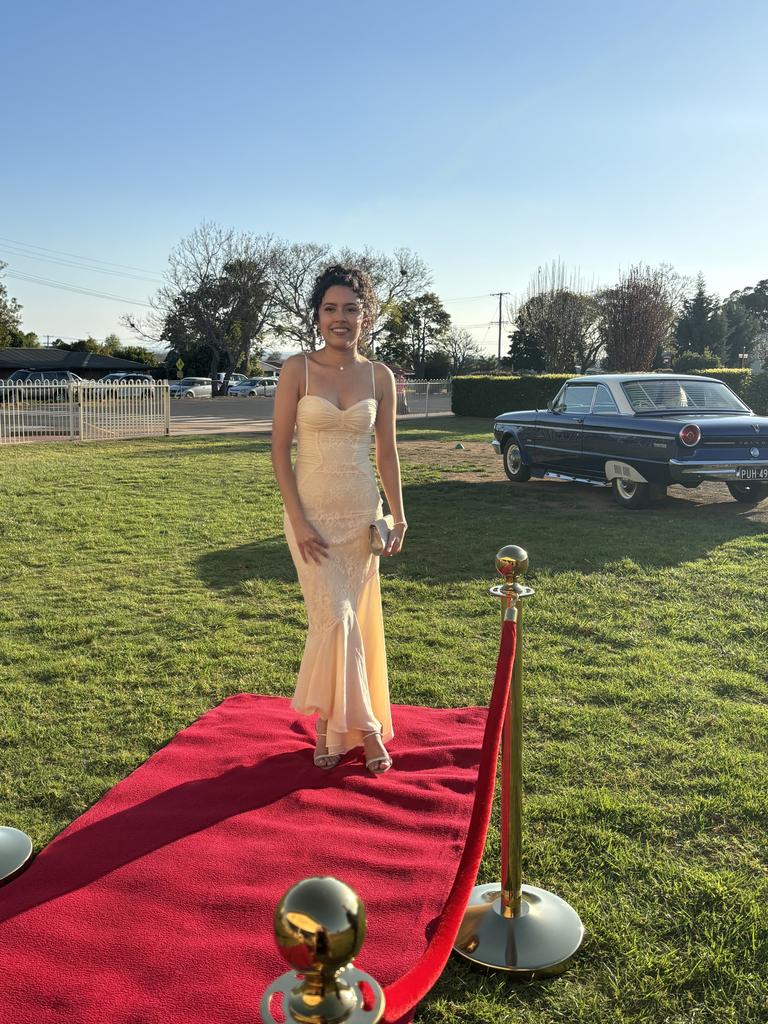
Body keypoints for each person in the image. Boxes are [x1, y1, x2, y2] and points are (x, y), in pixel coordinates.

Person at [271, 265, 407, 775]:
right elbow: (280, 451)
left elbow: (387, 451)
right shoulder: (297, 370)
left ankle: (329, 731)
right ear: (317, 315)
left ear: (365, 316)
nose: (340, 319)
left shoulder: (380, 376)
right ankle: (369, 731)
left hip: (362, 518)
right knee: (337, 617)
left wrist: (398, 515)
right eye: (330, 309)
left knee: (345, 623)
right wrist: (298, 520)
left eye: (351, 309)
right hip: (312, 519)